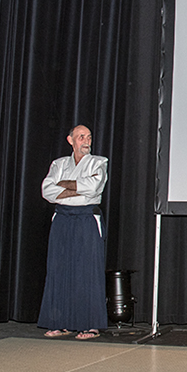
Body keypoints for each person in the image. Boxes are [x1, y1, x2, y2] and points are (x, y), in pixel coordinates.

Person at [37, 124, 109, 340]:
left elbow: (93, 188)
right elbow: (47, 191)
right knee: (58, 269)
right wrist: (78, 188)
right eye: (81, 137)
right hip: (62, 218)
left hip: (86, 218)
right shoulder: (59, 164)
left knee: (87, 270)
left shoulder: (99, 162)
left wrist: (63, 186)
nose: (86, 141)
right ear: (71, 140)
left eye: (89, 137)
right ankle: (59, 322)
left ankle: (90, 325)